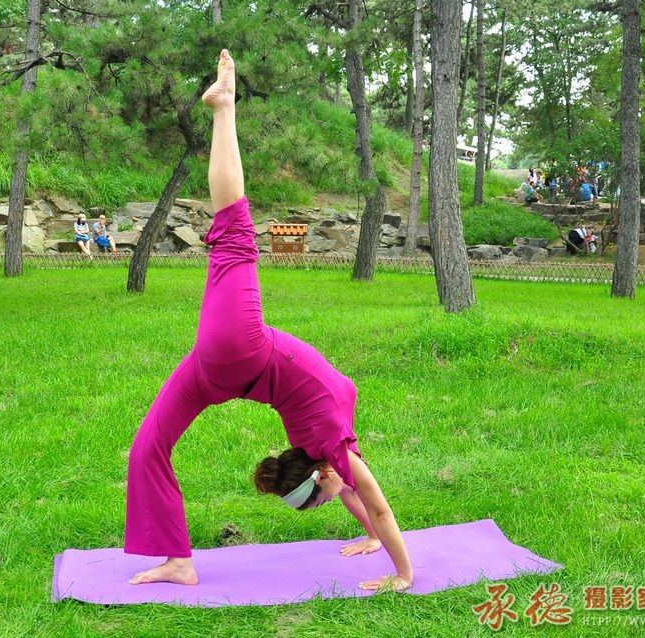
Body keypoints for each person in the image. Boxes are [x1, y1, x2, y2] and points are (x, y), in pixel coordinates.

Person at [124, 50, 413, 593]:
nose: (332, 500)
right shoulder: (327, 449)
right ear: (321, 475)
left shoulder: (325, 453)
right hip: (237, 353)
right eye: (323, 500)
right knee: (233, 230)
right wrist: (402, 573)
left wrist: (371, 537)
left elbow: (357, 497)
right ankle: (224, 107)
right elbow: (374, 504)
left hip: (225, 369)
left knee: (147, 448)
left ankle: (180, 562)